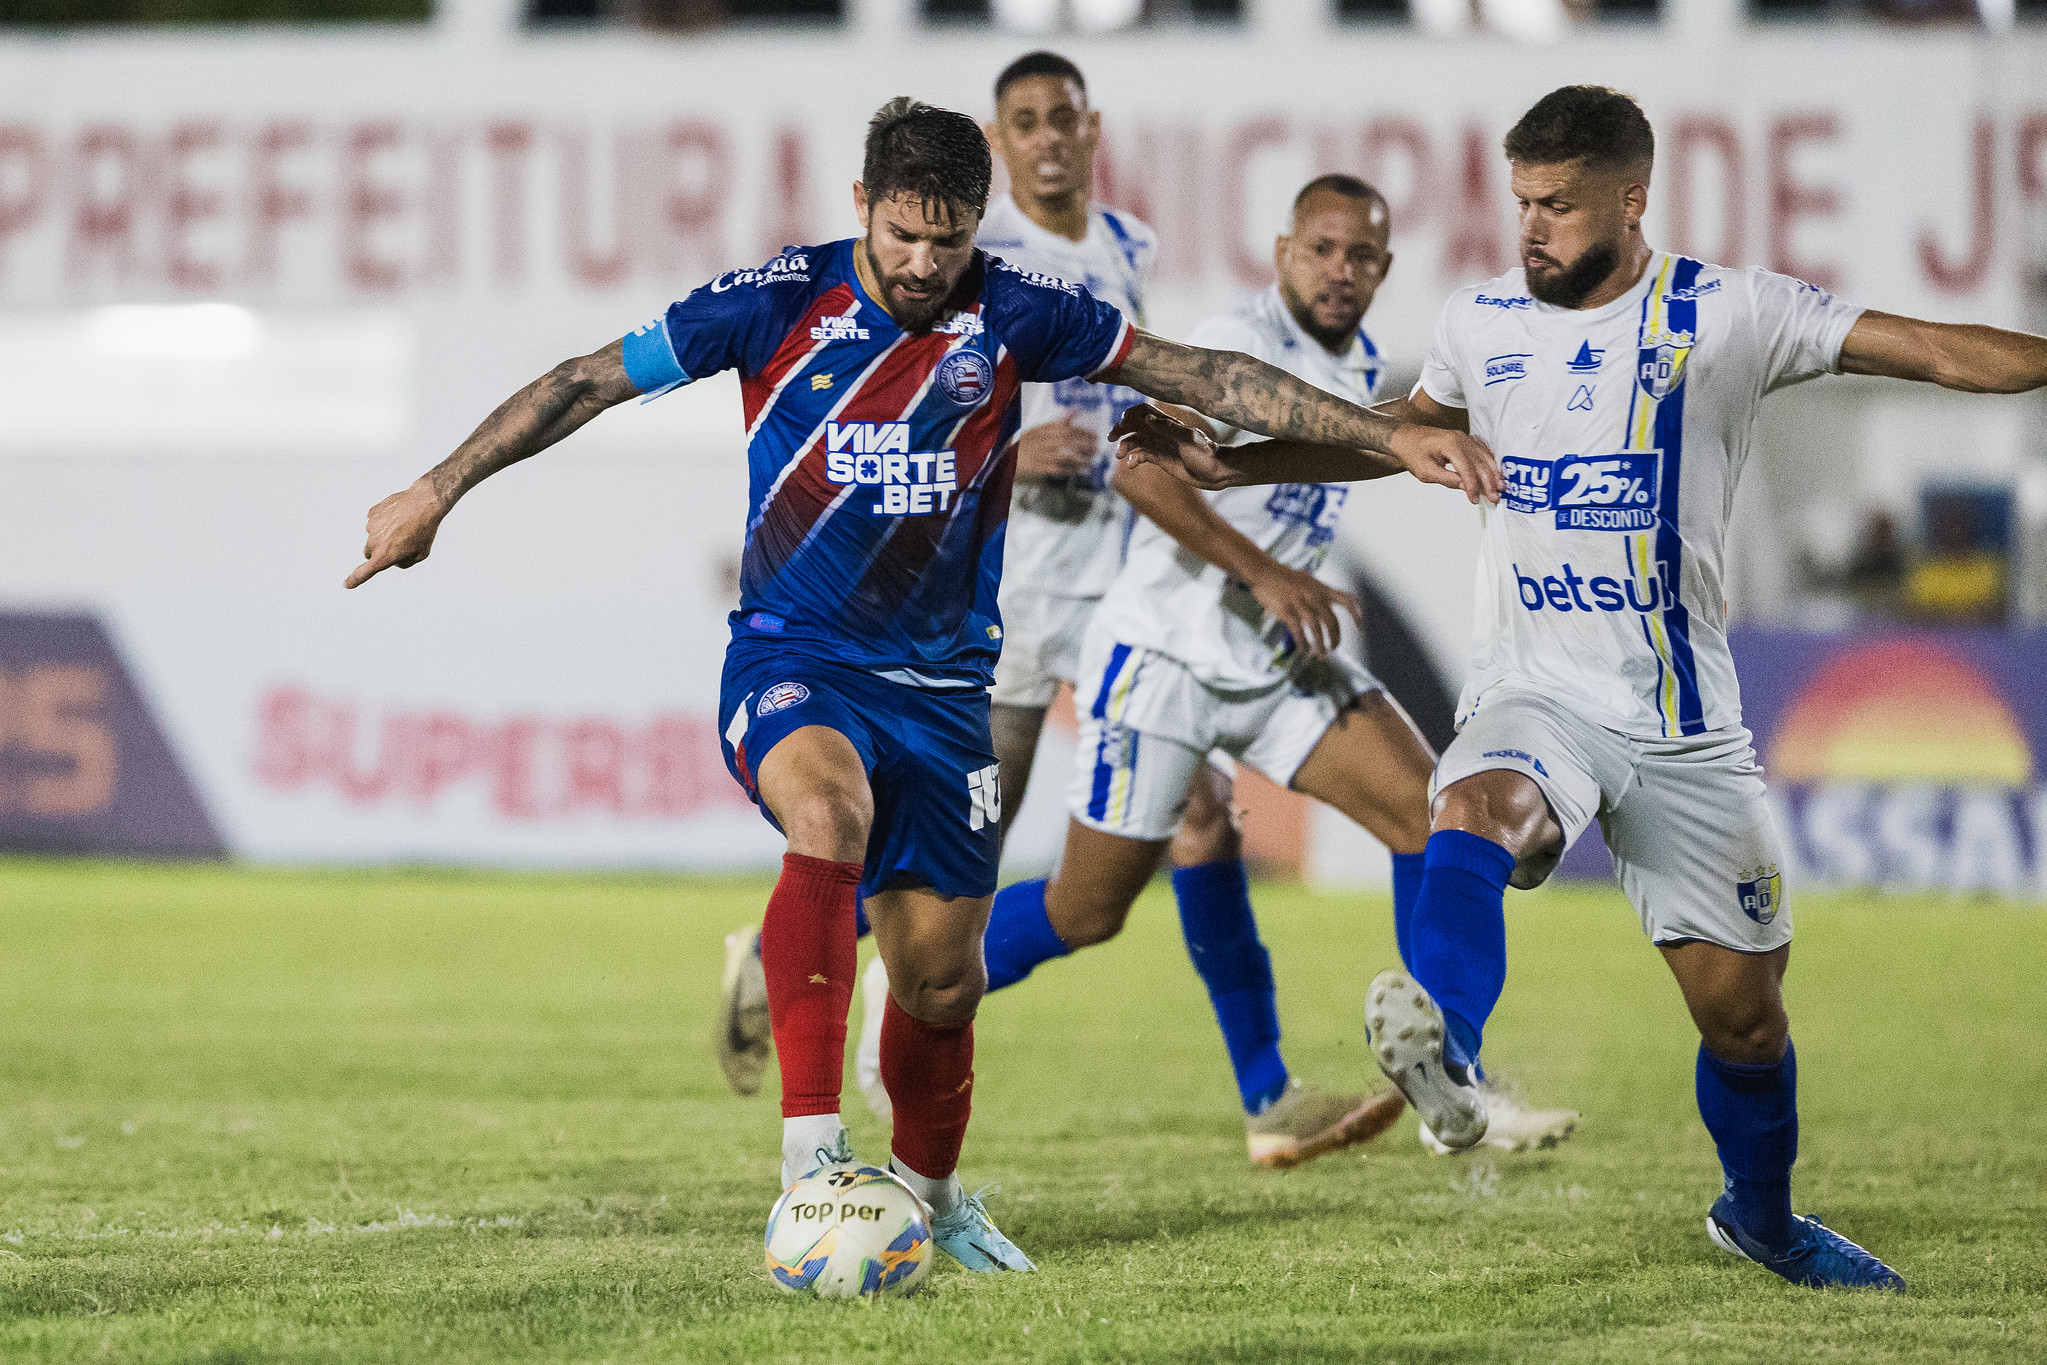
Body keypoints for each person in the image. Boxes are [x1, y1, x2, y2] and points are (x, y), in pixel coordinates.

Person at [346, 97, 1495, 1274]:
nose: (920, 263)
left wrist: (1381, 434)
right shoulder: (777, 298)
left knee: (944, 978)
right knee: (827, 811)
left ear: (976, 226)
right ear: (861, 207)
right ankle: (812, 1168)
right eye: (900, 235)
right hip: (798, 659)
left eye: (946, 241)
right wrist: (437, 491)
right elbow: (586, 380)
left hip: (947, 692)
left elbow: (1196, 372)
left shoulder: (1010, 310)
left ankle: (934, 1197)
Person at [1117, 83, 2047, 1293]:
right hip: (1534, 689)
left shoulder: (1730, 313)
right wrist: (1229, 467)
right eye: (1520, 205)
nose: (1533, 229)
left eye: (1557, 205)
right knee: (1474, 810)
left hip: (1684, 726)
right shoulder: (1482, 323)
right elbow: (1398, 434)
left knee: (1746, 1023)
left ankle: (1759, 1220)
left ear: (1630, 197)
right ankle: (1447, 1053)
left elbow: (1928, 350)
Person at [966, 173, 1578, 1167]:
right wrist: (1263, 570)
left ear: (1384, 267)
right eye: (1323, 250)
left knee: (1431, 812)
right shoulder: (1237, 344)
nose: (1341, 271)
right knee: (1085, 909)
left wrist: (1425, 441)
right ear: (1284, 250)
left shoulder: (1362, 359)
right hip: (1164, 657)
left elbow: (1338, 452)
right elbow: (1141, 465)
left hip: (1268, 658)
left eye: (1362, 256)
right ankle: (917, 972)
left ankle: (1450, 1077)